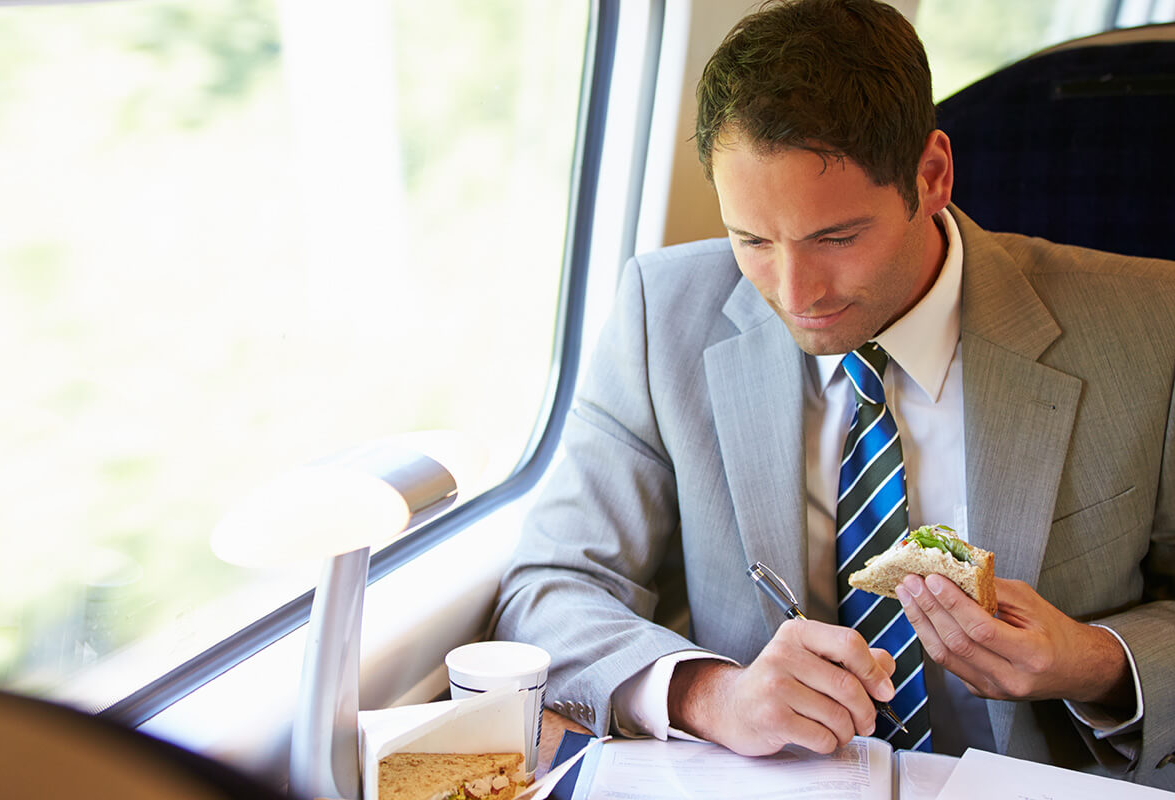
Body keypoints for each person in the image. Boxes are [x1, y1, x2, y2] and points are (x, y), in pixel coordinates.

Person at [491, 0, 1175, 788]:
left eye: (836, 238)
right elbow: (549, 588)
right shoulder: (661, 314)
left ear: (932, 176)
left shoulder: (1150, 327)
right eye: (752, 240)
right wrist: (714, 695)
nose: (794, 292)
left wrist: (1094, 663)